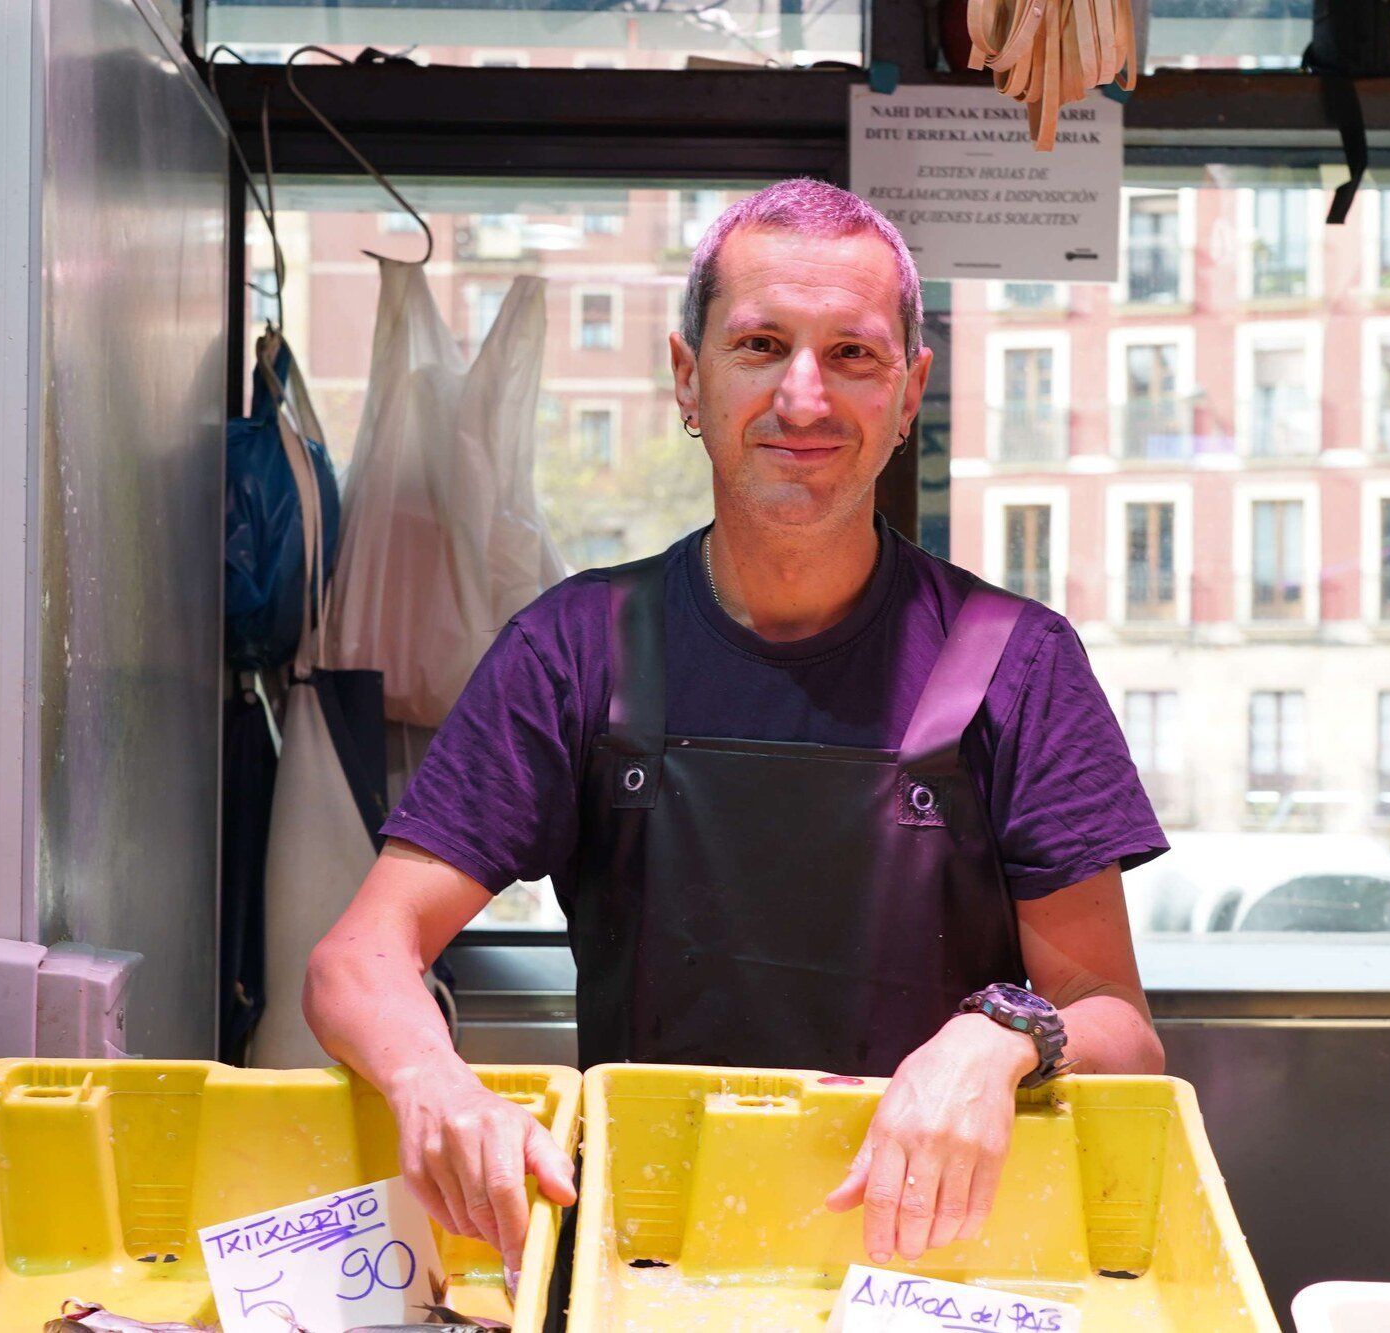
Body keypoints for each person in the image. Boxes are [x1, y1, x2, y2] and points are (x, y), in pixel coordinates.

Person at [304, 178, 1168, 1278]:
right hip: (655, 1260)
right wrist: (434, 1081)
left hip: (937, 1269)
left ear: (910, 393)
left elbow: (1119, 1030)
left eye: (851, 356)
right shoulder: (577, 647)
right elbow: (355, 959)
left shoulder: (1016, 660)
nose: (802, 399)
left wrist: (999, 1035)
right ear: (687, 379)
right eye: (760, 344)